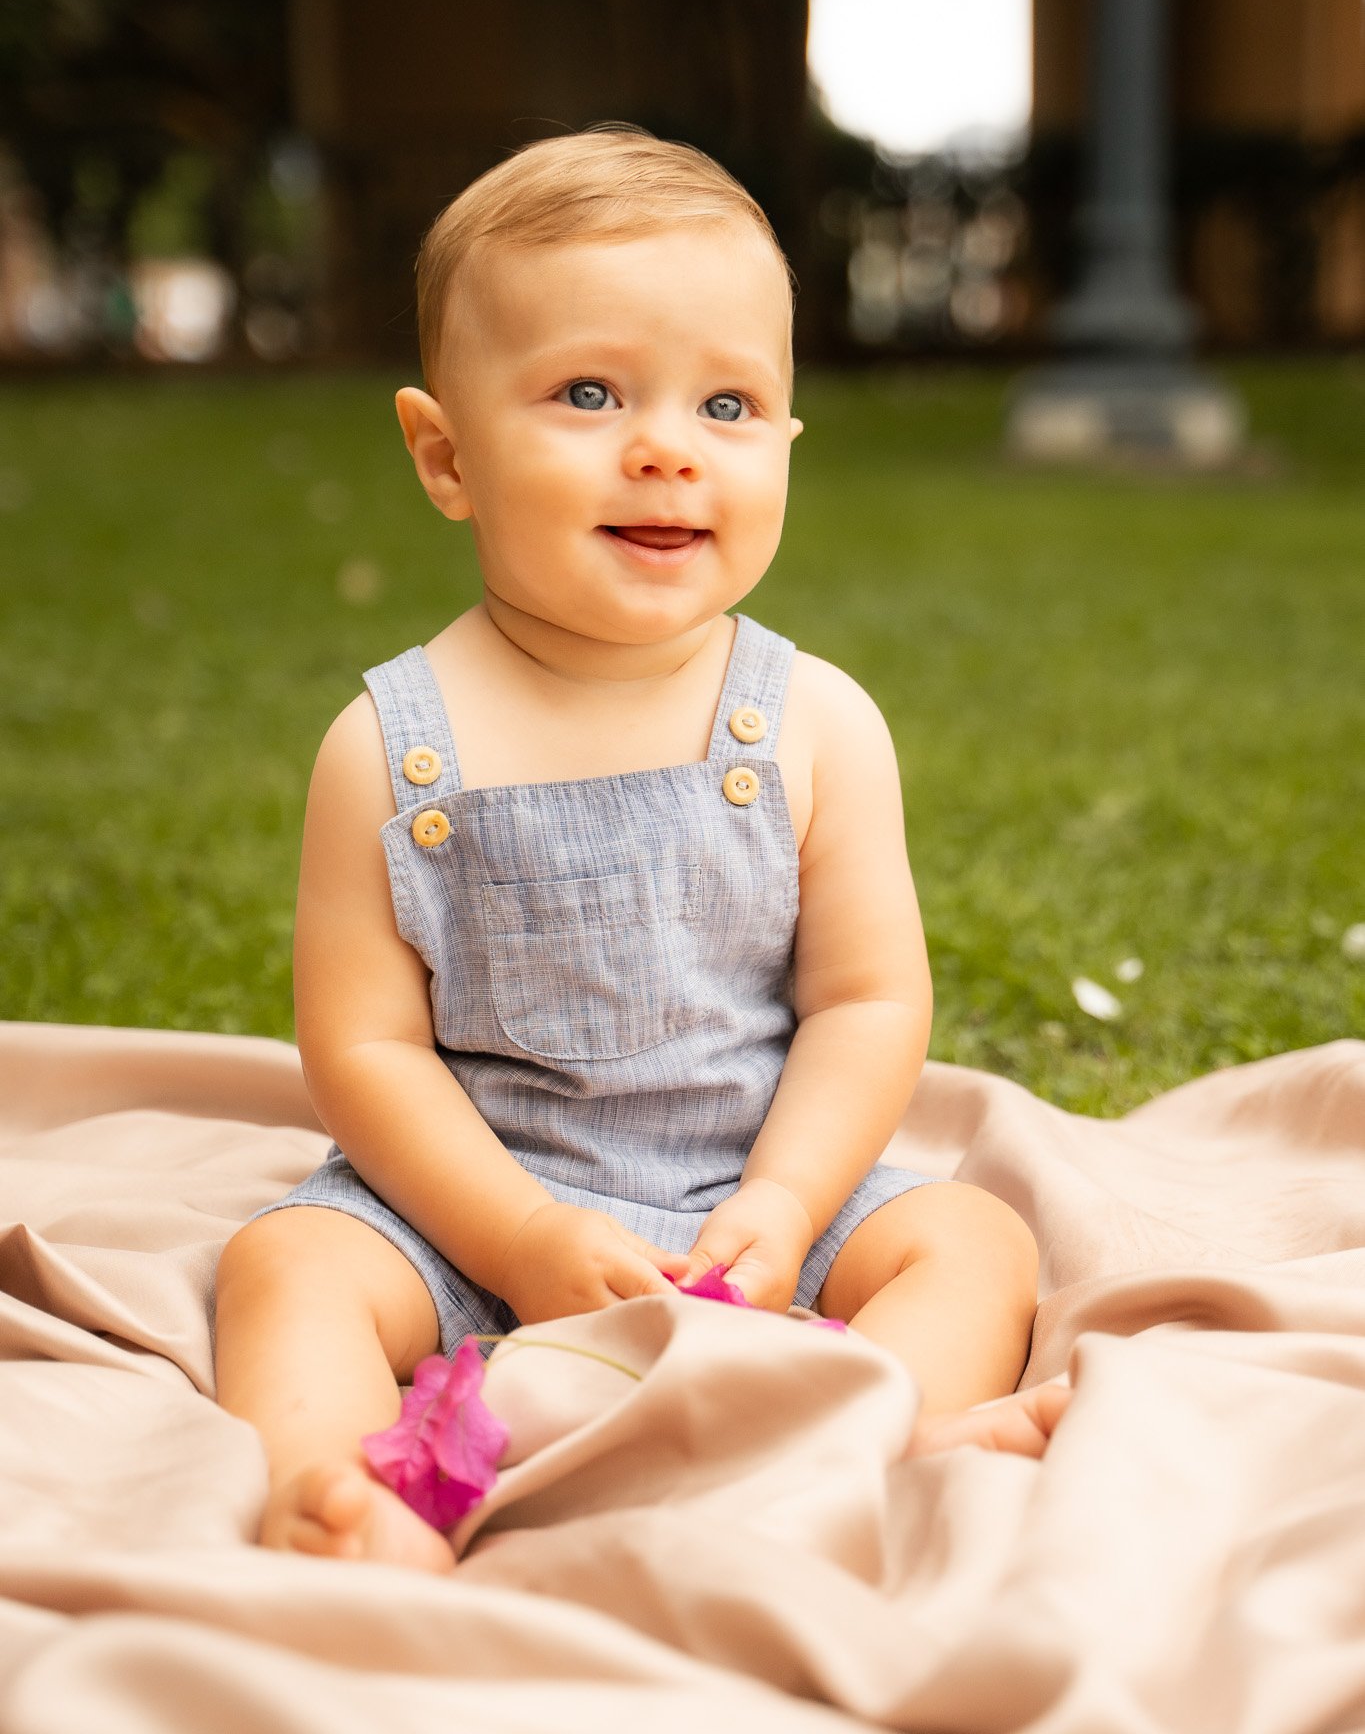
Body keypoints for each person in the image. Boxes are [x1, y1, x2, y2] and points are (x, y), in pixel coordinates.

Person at [212, 127, 1069, 1572]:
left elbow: (866, 1003)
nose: (665, 445)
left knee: (974, 1247)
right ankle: (349, 1494)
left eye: (728, 402)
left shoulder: (812, 721)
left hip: (751, 1179)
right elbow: (364, 1052)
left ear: (786, 440)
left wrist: (789, 1203)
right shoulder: (390, 743)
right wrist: (518, 1238)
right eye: (589, 392)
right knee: (284, 1266)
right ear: (446, 454)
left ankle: (870, 1433)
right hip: (475, 1191)